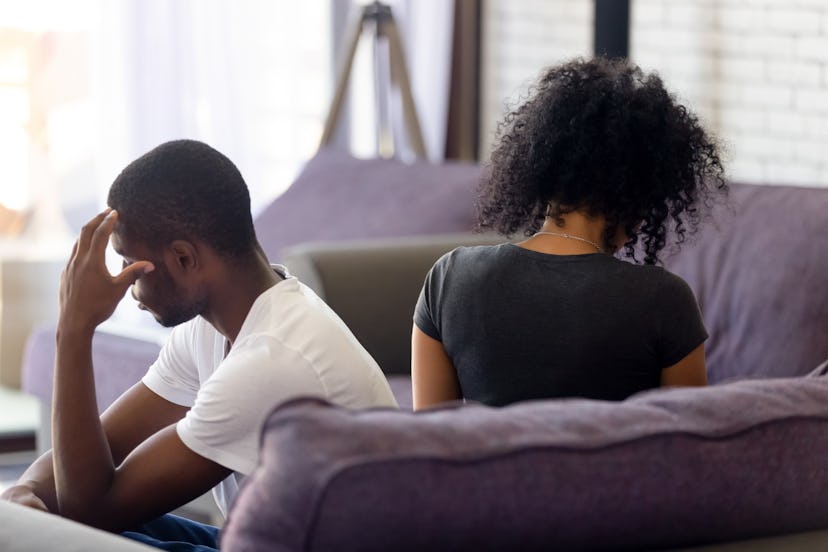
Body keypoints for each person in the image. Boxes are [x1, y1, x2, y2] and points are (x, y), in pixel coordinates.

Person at [1, 139, 398, 550]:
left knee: (63, 539)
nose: (123, 285)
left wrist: (74, 329)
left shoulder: (274, 361)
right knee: (38, 519)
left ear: (184, 259)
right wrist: (23, 490)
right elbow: (108, 446)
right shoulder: (215, 327)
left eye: (129, 263)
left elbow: (91, 509)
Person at [412, 57, 727, 410]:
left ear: (541, 162)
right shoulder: (665, 301)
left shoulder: (449, 279)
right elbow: (686, 451)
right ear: (643, 190)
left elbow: (433, 441)